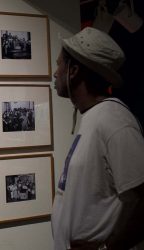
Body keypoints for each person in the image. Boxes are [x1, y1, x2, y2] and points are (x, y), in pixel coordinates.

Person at [52, 27, 144, 250]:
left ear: (73, 71)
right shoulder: (93, 116)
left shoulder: (115, 121)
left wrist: (107, 249)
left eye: (59, 65)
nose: (55, 73)